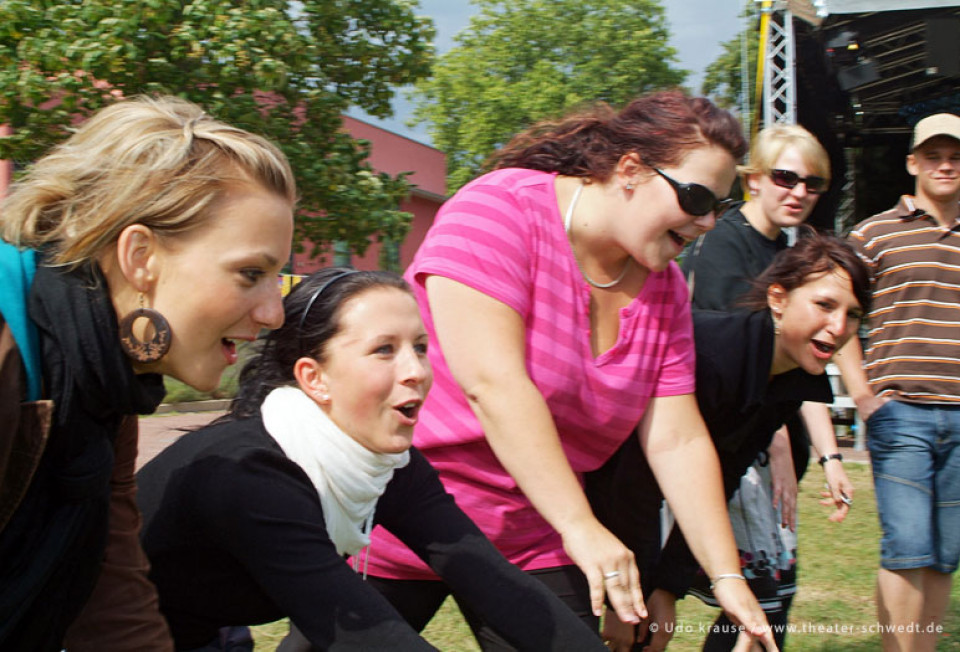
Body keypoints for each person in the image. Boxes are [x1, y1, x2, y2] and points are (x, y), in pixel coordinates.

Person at [361, 89, 778, 650]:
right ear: (630, 169)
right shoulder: (498, 209)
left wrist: (727, 576)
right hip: (398, 508)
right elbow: (494, 384)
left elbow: (677, 439)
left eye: (720, 208)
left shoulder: (667, 292)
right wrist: (584, 528)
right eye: (697, 197)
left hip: (534, 528)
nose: (706, 222)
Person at [136, 268, 608, 651]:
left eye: (420, 348)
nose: (418, 371)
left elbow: (493, 583)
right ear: (314, 378)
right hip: (98, 627)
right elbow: (367, 638)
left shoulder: (392, 467)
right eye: (385, 350)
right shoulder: (253, 476)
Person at [0, 95, 296, 651]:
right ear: (141, 256)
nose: (273, 313)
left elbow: (111, 596)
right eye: (249, 273)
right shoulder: (14, 357)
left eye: (275, 278)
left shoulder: (102, 385)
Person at [588, 229, 870, 651]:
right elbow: (637, 479)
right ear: (778, 298)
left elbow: (716, 481)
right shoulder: (717, 356)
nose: (839, 327)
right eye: (825, 305)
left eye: (853, 315)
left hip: (624, 496)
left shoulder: (790, 378)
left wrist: (666, 588)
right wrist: (628, 596)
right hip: (583, 482)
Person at [678, 124, 855, 649]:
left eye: (813, 183)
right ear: (753, 179)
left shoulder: (791, 255)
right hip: (729, 445)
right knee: (761, 598)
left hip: (760, 440)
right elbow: (729, 364)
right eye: (785, 176)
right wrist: (776, 443)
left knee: (766, 601)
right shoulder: (723, 247)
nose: (799, 191)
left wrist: (829, 456)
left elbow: (804, 368)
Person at [835, 112, 960, 652]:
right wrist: (863, 397)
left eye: (955, 157)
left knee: (943, 554)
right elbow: (839, 317)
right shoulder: (872, 234)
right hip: (900, 412)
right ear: (912, 163)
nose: (946, 166)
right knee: (906, 548)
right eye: (934, 156)